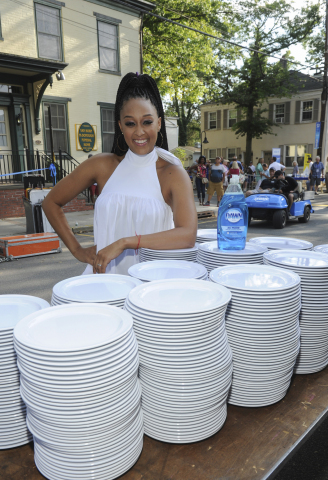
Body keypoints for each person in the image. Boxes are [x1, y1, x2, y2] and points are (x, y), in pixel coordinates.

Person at [42, 72, 197, 275]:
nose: (139, 132)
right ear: (120, 126)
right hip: (104, 286)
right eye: (131, 123)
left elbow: (187, 235)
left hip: (149, 289)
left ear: (159, 123)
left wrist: (126, 242)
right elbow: (50, 202)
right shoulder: (101, 165)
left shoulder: (172, 174)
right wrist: (78, 250)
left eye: (147, 122)